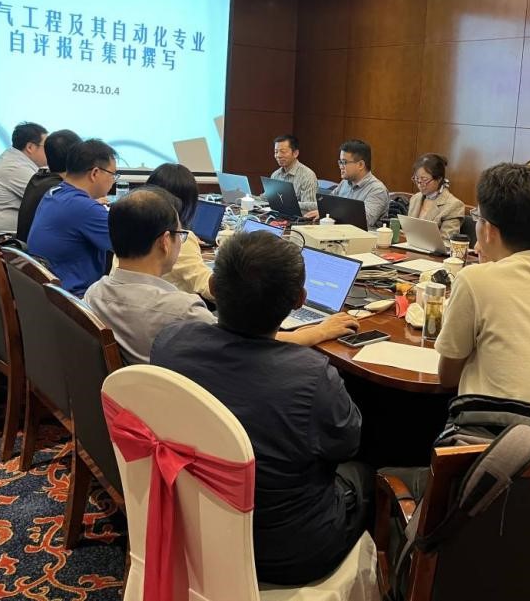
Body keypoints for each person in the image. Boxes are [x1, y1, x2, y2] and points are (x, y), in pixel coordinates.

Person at [151, 232, 372, 585]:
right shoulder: (312, 378)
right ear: (300, 300)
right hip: (288, 555)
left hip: (189, 526)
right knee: (367, 472)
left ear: (214, 287)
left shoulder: (169, 343)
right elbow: (347, 444)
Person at [86, 187, 359, 364]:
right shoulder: (180, 310)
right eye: (181, 234)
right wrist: (320, 331)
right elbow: (250, 342)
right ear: (165, 242)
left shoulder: (94, 294)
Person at [435, 163, 530, 440]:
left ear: (489, 231)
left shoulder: (475, 280)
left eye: (478, 217)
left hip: (494, 450)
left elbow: (447, 377)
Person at [27, 139, 117, 296]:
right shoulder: (85, 208)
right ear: (95, 173)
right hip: (74, 300)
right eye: (113, 174)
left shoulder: (54, 192)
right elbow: (131, 247)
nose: (113, 180)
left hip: (45, 294)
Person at [144, 163, 213, 301]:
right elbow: (209, 288)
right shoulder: (179, 238)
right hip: (170, 310)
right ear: (189, 203)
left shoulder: (131, 226)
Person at [0, 122, 48, 235]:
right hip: (1, 240)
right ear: (30, 147)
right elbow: (51, 200)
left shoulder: (14, 159)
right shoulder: (14, 167)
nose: (49, 151)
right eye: (46, 147)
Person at [304, 139, 389, 228]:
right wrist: (301, 206)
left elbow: (364, 220)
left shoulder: (377, 190)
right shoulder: (344, 183)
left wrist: (328, 213)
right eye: (340, 162)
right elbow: (326, 205)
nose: (341, 167)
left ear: (360, 165)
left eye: (344, 162)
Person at [16, 129, 81, 242]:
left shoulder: (39, 178)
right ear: (76, 158)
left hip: (27, 249)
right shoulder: (59, 191)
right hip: (38, 252)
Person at [406, 154, 465, 238]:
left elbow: (446, 240)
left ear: (439, 179)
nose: (420, 184)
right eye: (417, 179)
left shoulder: (454, 205)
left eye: (424, 180)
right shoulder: (415, 198)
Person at [271, 134, 318, 214]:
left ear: (295, 153)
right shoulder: (275, 174)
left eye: (283, 152)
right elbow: (267, 198)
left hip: (298, 218)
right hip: (278, 215)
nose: (278, 155)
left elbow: (310, 208)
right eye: (276, 152)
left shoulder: (307, 175)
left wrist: (287, 203)